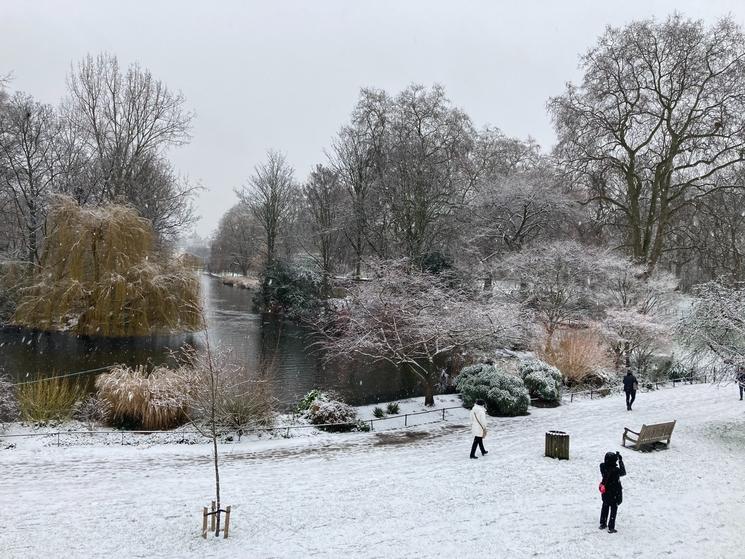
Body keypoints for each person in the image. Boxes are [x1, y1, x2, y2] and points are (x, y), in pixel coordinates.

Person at [599, 451, 626, 533]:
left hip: (606, 491)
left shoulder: (602, 467)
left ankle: (603, 523)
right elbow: (623, 472)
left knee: (605, 507)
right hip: (614, 492)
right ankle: (611, 527)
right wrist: (620, 461)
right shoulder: (616, 470)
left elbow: (603, 464)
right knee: (613, 509)